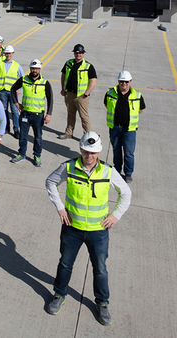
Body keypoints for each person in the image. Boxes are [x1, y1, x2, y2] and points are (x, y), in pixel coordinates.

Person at [45, 132, 131, 326]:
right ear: (81, 149)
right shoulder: (68, 167)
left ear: (99, 151)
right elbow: (50, 182)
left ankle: (102, 303)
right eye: (86, 151)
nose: (89, 156)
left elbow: (125, 193)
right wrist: (60, 207)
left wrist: (115, 215)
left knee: (100, 268)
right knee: (65, 264)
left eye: (93, 152)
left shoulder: (108, 171)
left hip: (98, 231)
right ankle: (59, 295)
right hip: (72, 228)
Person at [104, 70, 145, 183]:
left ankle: (128, 173)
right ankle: (116, 170)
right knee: (116, 150)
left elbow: (141, 109)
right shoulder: (110, 92)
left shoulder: (137, 95)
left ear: (130, 82)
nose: (124, 84)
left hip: (129, 130)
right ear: (118, 81)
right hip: (115, 127)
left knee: (128, 153)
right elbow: (106, 104)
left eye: (126, 81)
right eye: (122, 81)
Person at [12, 59, 53, 167]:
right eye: (33, 68)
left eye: (37, 68)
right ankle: (21, 154)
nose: (34, 70)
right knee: (23, 136)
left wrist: (48, 114)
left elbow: (50, 99)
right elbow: (13, 89)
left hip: (38, 115)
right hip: (25, 113)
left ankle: (37, 155)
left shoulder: (44, 82)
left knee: (38, 137)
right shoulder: (23, 79)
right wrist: (16, 104)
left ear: (40, 69)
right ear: (30, 68)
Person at [59, 44, 97, 140]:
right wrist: (63, 89)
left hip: (81, 96)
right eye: (76, 53)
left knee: (84, 117)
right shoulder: (68, 63)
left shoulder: (88, 66)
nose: (78, 55)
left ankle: (88, 136)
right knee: (70, 114)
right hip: (69, 94)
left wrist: (86, 93)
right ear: (74, 53)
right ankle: (68, 132)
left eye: (80, 53)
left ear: (83, 54)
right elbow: (63, 75)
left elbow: (93, 81)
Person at [0, 45, 24, 135]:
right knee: (4, 110)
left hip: (13, 92)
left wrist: (21, 89)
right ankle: (6, 127)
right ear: (4, 54)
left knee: (14, 111)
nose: (8, 55)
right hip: (2, 91)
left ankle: (16, 129)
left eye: (10, 53)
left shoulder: (17, 66)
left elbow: (23, 78)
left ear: (12, 54)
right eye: (7, 53)